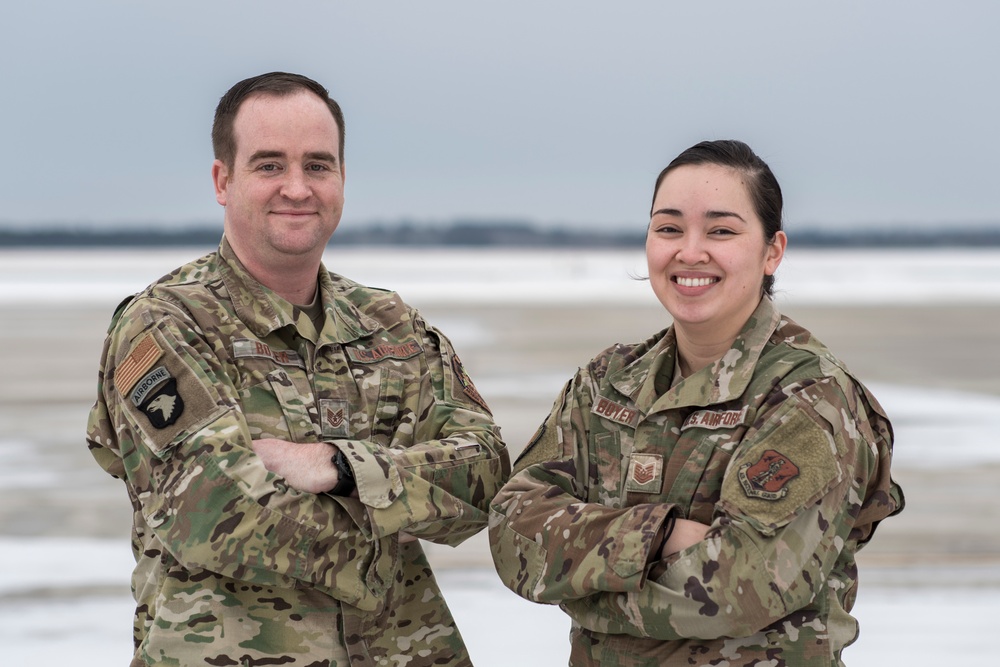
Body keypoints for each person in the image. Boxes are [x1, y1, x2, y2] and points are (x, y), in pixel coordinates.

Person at [86, 71, 510, 667]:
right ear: (222, 180)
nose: (296, 187)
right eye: (268, 165)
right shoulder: (167, 326)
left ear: (341, 179)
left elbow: (488, 472)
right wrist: (397, 512)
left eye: (317, 165)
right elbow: (219, 513)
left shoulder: (390, 324)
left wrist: (339, 467)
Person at [489, 140, 903, 666]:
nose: (689, 252)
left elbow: (739, 588)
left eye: (721, 230)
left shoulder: (809, 398)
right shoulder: (606, 383)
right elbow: (509, 532)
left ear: (772, 250)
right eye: (668, 228)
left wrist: (581, 586)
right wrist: (659, 535)